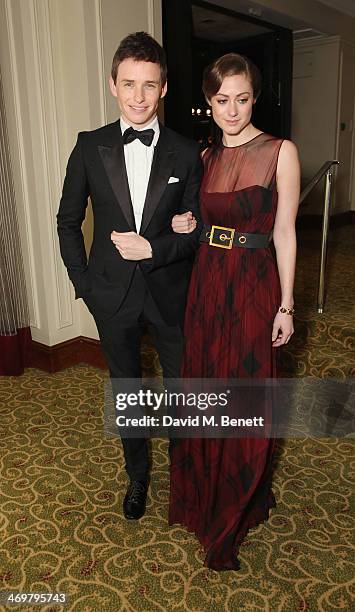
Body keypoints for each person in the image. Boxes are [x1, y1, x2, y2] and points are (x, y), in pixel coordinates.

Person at [57, 32, 202, 522]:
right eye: (128, 84)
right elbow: (67, 221)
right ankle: (137, 475)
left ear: (164, 88)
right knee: (128, 391)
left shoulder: (187, 152)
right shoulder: (89, 146)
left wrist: (156, 248)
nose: (138, 96)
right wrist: (85, 286)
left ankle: (186, 480)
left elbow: (195, 232)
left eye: (149, 85)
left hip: (170, 295)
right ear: (113, 85)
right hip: (111, 296)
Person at [169, 53, 300, 571]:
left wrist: (286, 304)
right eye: (222, 100)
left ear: (254, 97)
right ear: (209, 101)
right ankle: (204, 495)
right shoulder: (202, 157)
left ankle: (238, 500)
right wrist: (186, 224)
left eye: (242, 98)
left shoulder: (279, 151)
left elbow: (286, 232)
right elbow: (199, 221)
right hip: (206, 283)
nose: (233, 110)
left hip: (251, 283)